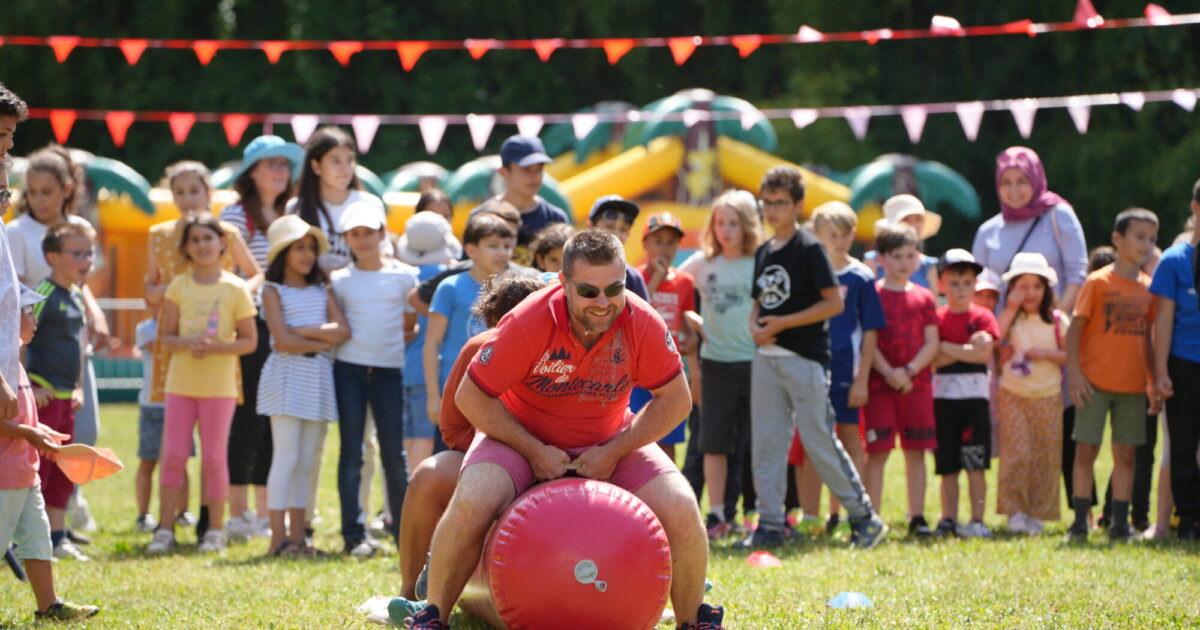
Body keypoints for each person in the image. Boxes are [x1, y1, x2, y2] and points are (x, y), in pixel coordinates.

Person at [405, 230, 723, 630]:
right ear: (563, 283)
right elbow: (471, 397)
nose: (603, 302)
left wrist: (615, 450)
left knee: (681, 506)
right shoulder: (528, 320)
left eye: (615, 288)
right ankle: (433, 614)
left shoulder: (640, 319)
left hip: (610, 435)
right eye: (589, 291)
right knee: (473, 500)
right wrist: (533, 449)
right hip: (519, 438)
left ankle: (695, 620)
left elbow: (676, 400)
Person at [736, 166, 886, 551]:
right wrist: (756, 326)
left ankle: (864, 518)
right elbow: (758, 303)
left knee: (820, 441)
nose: (772, 211)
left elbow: (833, 302)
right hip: (765, 357)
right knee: (767, 444)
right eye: (766, 203)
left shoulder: (809, 247)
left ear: (799, 205)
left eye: (780, 203)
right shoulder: (765, 250)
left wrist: (783, 323)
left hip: (804, 359)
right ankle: (770, 525)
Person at [393, 272, 547, 612]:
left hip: (552, 466)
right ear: (494, 321)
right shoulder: (479, 349)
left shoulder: (558, 352)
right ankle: (410, 590)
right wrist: (504, 450)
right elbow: (453, 429)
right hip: (484, 460)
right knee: (428, 475)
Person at [145, 161, 262, 535]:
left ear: (208, 193)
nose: (187, 198)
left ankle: (210, 524)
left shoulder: (224, 233)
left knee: (214, 450)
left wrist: (240, 298)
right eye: (179, 192)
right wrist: (170, 293)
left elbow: (256, 271)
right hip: (178, 348)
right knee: (174, 447)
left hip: (220, 353)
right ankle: (172, 519)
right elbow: (149, 290)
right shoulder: (159, 234)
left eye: (194, 190)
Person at [972, 146, 1089, 519]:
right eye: (1006, 182)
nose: (1014, 189)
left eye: (1022, 181)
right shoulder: (989, 231)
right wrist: (995, 338)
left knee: (1061, 430)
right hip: (1007, 343)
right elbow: (981, 288)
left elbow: (1077, 272)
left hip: (1053, 335)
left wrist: (1057, 325)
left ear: (1036, 180)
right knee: (1016, 436)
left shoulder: (1058, 215)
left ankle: (1080, 511)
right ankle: (1017, 509)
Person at [7, 145, 108, 533]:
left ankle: (64, 516)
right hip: (37, 352)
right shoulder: (16, 232)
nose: (38, 199)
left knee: (84, 431)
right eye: (31, 191)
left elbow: (76, 287)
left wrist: (94, 314)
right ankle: (38, 528)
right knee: (39, 444)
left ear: (67, 189)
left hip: (72, 347)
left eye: (46, 191)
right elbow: (18, 291)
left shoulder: (77, 229)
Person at [220, 135, 304, 541]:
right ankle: (238, 514)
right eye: (271, 164)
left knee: (276, 419)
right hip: (250, 324)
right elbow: (228, 274)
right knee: (247, 416)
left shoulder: (295, 213)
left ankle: (267, 512)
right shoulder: (234, 215)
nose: (279, 171)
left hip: (286, 326)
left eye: (284, 164)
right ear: (251, 172)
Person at [0, 282, 99, 620]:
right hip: (4, 476)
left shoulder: (15, 360)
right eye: (28, 312)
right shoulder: (2, 364)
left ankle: (49, 606)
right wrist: (28, 433)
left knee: (38, 541)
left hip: (24, 473)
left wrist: (39, 431)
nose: (34, 318)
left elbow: (20, 418)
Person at [789, 201, 885, 537]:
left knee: (849, 442)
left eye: (846, 234)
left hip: (847, 374)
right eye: (833, 234)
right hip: (809, 371)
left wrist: (862, 379)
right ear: (816, 235)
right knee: (812, 444)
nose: (841, 240)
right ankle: (811, 518)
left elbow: (870, 332)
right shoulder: (806, 274)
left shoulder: (861, 277)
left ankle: (850, 515)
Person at [1065, 208, 1160, 543]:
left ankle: (1119, 523)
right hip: (1093, 384)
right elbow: (1074, 330)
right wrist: (1074, 375)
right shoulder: (1097, 282)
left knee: (1127, 454)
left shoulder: (1150, 288)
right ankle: (1079, 522)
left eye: (1152, 238)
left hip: (1132, 386)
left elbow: (1149, 339)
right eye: (1139, 236)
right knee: (1085, 452)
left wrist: (1151, 380)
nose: (1146, 244)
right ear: (1118, 240)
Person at [257, 215, 349, 556]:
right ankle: (277, 538)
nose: (307, 254)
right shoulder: (271, 290)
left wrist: (303, 331)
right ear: (283, 252)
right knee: (287, 457)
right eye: (299, 247)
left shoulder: (322, 289)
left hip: (317, 378)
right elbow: (282, 341)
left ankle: (298, 537)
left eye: (311, 247)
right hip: (286, 377)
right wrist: (318, 335)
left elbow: (343, 331)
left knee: (307, 460)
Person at [330, 201, 418, 556]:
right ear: (346, 238)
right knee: (352, 451)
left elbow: (410, 326)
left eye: (369, 232)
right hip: (348, 370)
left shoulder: (405, 275)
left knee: (394, 455)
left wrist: (386, 344)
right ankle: (353, 533)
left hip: (388, 373)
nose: (363, 240)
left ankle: (402, 532)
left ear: (383, 233)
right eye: (355, 234)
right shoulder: (339, 280)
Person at [679, 190, 760, 540]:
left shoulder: (759, 261)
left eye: (734, 223)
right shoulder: (702, 261)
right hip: (715, 365)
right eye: (720, 222)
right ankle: (716, 516)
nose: (726, 230)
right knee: (714, 443)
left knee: (751, 442)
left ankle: (753, 513)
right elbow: (674, 286)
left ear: (748, 226)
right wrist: (697, 325)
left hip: (756, 363)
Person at [864, 223, 939, 537]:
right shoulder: (873, 295)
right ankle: (873, 517)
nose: (904, 262)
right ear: (881, 259)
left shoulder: (924, 297)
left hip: (916, 386)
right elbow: (869, 341)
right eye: (896, 256)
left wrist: (908, 372)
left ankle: (918, 517)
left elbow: (932, 342)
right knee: (877, 452)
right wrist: (889, 373)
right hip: (879, 386)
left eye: (910, 255)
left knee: (916, 452)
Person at [25, 222, 95, 562]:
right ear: (52, 256)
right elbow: (18, 340)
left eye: (89, 252)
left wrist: (80, 385)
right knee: (42, 469)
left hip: (69, 400)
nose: (86, 260)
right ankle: (28, 541)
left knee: (63, 470)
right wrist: (29, 386)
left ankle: (57, 536)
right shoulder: (42, 295)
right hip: (46, 399)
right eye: (77, 253)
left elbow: (78, 347)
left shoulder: (77, 294)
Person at [995, 253, 1067, 535]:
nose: (1030, 293)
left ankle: (1038, 512)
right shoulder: (1009, 319)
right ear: (1012, 288)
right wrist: (1010, 310)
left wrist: (1047, 354)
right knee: (1016, 453)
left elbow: (1071, 355)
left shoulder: (1057, 321)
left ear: (1046, 290)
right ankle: (1015, 510)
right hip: (1012, 393)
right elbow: (994, 336)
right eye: (1022, 286)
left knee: (1044, 455)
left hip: (1048, 395)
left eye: (1036, 286)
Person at [930, 250, 999, 538]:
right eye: (954, 282)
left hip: (974, 402)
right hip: (943, 400)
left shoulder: (983, 316)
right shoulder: (936, 317)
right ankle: (949, 519)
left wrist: (945, 347)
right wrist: (963, 350)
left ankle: (977, 520)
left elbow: (983, 354)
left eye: (967, 282)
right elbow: (933, 358)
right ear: (941, 285)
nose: (961, 289)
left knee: (975, 463)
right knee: (947, 466)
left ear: (975, 284)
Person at [424, 214, 516, 431]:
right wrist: (432, 396)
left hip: (498, 394)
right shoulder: (450, 287)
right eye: (493, 246)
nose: (502, 252)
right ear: (471, 250)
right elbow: (432, 344)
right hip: (453, 390)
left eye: (507, 245)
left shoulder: (514, 289)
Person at [1151, 183, 1200, 540]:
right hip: (1184, 363)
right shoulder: (1174, 260)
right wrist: (1160, 371)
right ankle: (1188, 520)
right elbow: (1163, 320)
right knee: (1182, 445)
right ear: (1195, 207)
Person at [397, 210, 461, 472]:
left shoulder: (408, 276)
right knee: (426, 436)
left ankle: (403, 496)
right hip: (431, 368)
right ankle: (417, 494)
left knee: (410, 436)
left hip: (407, 365)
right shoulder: (448, 277)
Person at [287, 126, 393, 272]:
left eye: (349, 160)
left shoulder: (370, 204)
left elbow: (385, 255)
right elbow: (291, 265)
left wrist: (344, 277)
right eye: (335, 161)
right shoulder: (296, 208)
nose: (345, 169)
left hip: (360, 289)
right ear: (316, 166)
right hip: (315, 292)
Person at [635, 212, 696, 460]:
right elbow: (635, 312)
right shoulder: (635, 277)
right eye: (658, 241)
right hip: (638, 372)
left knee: (668, 441)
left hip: (671, 371)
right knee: (636, 437)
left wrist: (693, 337)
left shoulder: (685, 282)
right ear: (645, 244)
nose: (665, 248)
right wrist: (657, 278)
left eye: (671, 242)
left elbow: (687, 322)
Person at [467, 134, 569, 266]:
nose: (534, 177)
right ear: (504, 172)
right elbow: (469, 269)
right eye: (526, 169)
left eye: (539, 169)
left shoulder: (555, 217)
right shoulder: (481, 216)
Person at [863, 194, 941, 291]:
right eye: (906, 219)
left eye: (918, 219)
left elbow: (932, 304)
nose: (914, 224)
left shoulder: (928, 265)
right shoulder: (873, 261)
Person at [586, 194, 650, 300]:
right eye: (609, 226)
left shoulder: (633, 278)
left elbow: (643, 315)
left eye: (623, 229)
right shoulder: (572, 268)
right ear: (590, 227)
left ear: (629, 233)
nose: (616, 235)